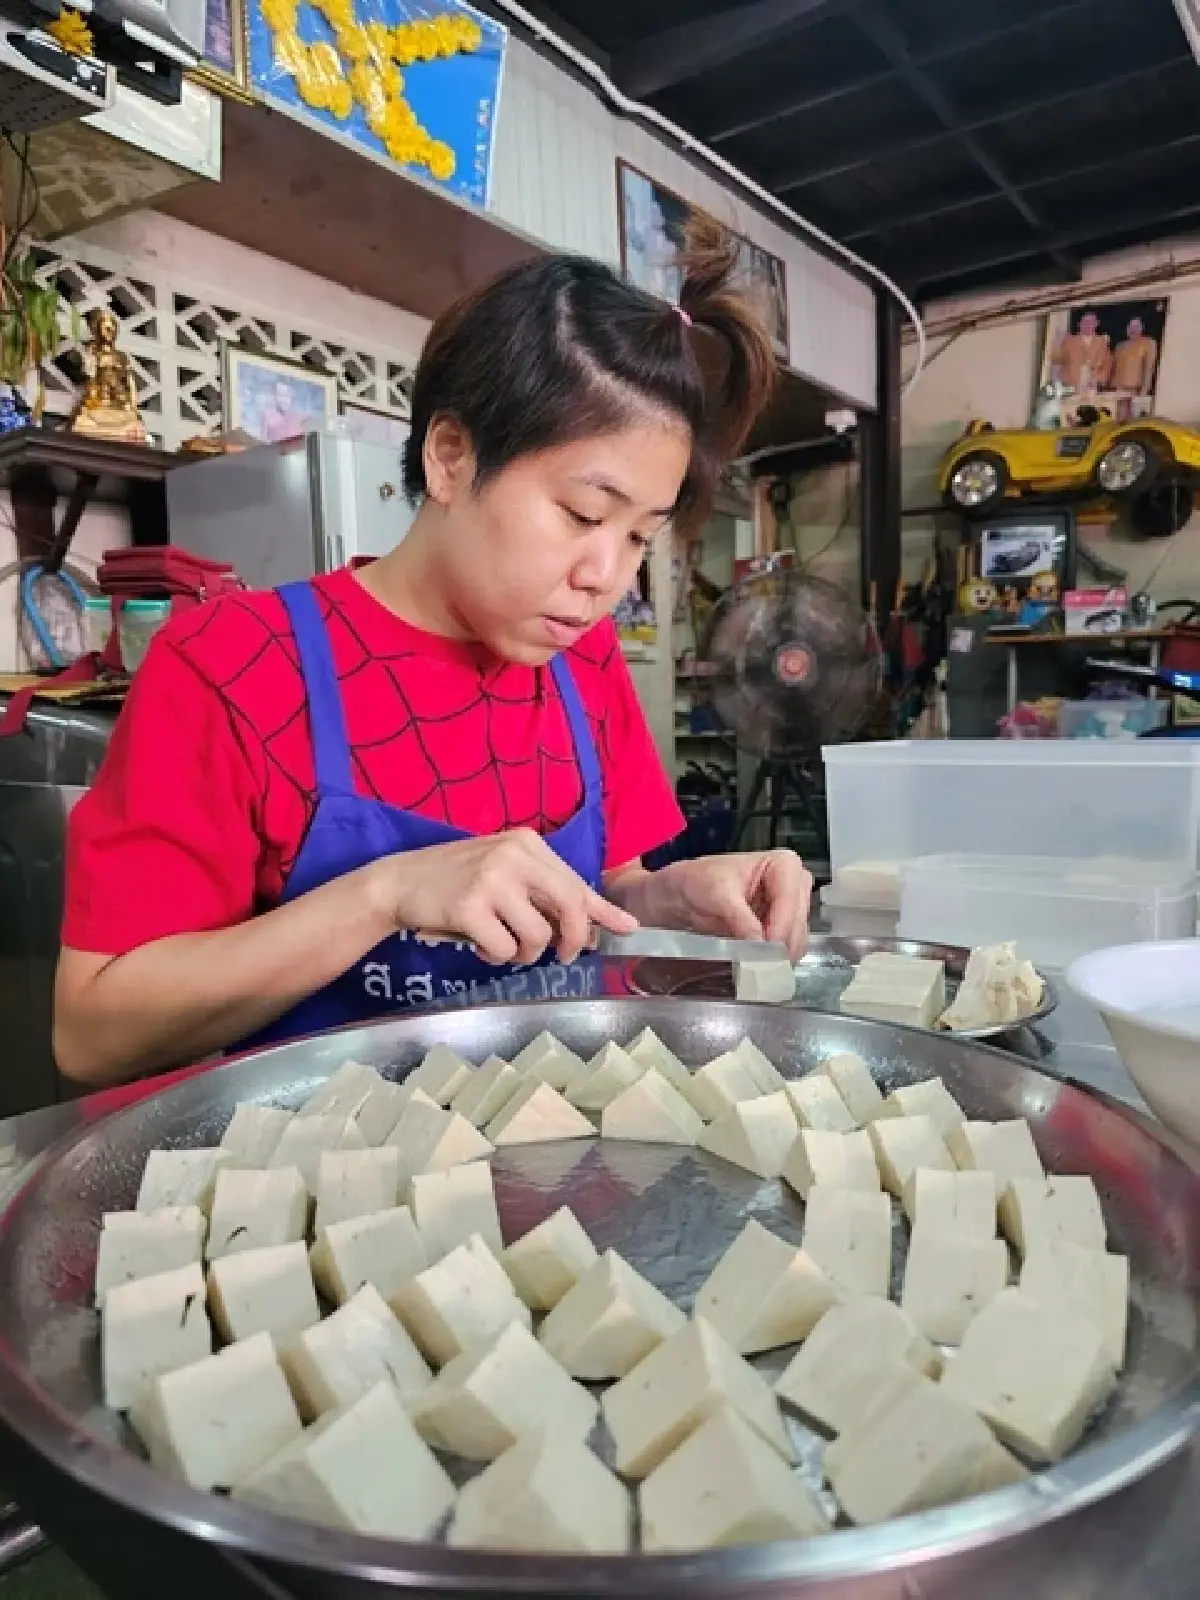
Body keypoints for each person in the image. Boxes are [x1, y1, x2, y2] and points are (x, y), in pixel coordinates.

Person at [55, 225, 814, 1088]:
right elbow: (92, 1032)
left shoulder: (584, 660)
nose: (606, 577)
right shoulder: (232, 665)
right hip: (313, 1181)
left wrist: (667, 899)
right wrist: (383, 896)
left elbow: (605, 897)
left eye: (640, 536)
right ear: (451, 457)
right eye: (581, 514)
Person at [1051, 310, 1112, 396]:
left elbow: (1107, 364)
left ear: (1096, 324)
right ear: (1079, 324)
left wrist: (1099, 379)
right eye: (1085, 322)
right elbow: (1057, 359)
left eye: (1091, 322)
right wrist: (1058, 341)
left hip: (1092, 386)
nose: (1088, 325)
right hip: (1071, 384)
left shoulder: (1102, 343)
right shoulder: (1069, 341)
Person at [1109, 316, 1158, 397]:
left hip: (1135, 391)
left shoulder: (1148, 343)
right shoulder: (1120, 346)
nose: (1133, 329)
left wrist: (1143, 392)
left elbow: (1149, 369)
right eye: (1130, 326)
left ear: (1142, 328)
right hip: (1117, 390)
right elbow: (1113, 368)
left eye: (1136, 326)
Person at [259, 377, 312, 442]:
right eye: (280, 395)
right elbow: (262, 443)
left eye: (286, 395)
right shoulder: (267, 415)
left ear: (291, 396)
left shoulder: (301, 417)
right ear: (275, 396)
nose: (283, 399)